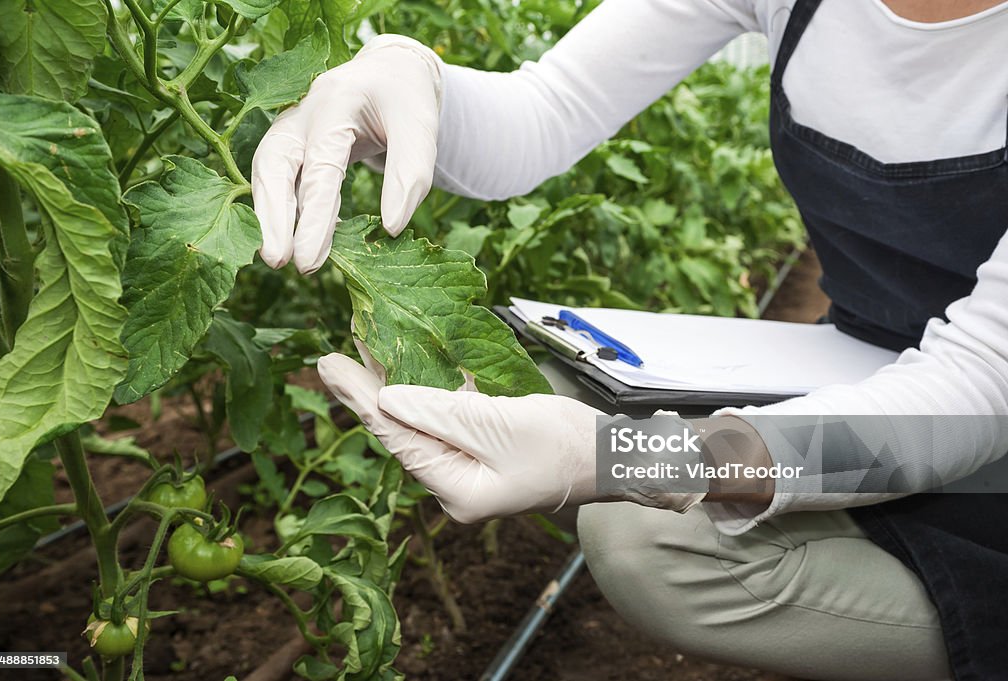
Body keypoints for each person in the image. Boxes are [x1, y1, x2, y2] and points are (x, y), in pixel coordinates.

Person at [251, 1, 1008, 679]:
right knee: (529, 392)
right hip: (862, 363)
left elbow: (977, 385)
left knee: (638, 527)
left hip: (982, 427)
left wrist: (635, 455)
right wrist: (407, 80)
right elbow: (547, 109)